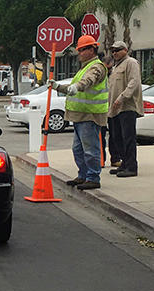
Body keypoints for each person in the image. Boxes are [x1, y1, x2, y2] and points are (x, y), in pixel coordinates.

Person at [48, 35, 109, 190]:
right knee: (78, 149)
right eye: (79, 50)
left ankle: (93, 178)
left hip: (90, 115)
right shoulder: (84, 67)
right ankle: (83, 175)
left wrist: (77, 87)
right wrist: (58, 87)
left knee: (90, 149)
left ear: (92, 49)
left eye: (82, 50)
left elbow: (88, 81)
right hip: (79, 115)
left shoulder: (97, 67)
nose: (79, 53)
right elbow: (74, 87)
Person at [107, 41, 143, 177]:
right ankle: (124, 163)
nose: (114, 53)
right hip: (115, 108)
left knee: (128, 137)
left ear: (125, 50)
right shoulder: (116, 66)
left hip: (127, 107)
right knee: (117, 137)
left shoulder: (131, 63)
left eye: (117, 50)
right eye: (113, 50)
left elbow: (134, 82)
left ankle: (132, 167)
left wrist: (122, 97)